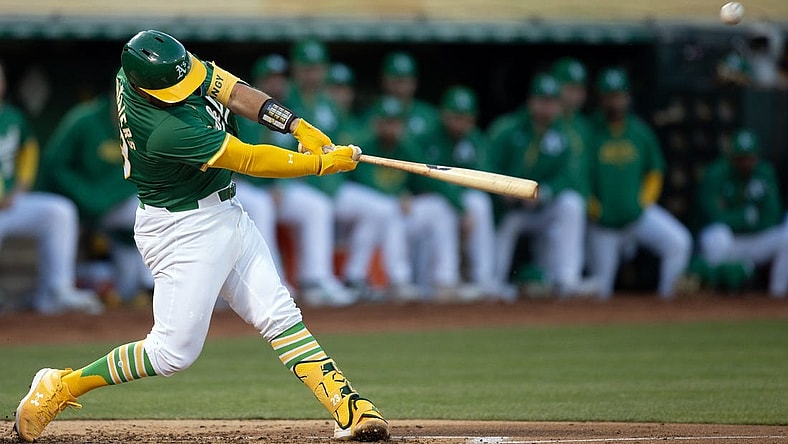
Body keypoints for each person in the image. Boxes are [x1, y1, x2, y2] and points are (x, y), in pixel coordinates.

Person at [14, 30, 389, 442]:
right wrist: (317, 164)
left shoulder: (150, 66)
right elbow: (247, 157)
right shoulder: (164, 131)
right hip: (181, 230)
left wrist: (295, 124)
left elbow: (228, 88)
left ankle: (346, 404)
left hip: (224, 211)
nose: (186, 87)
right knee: (172, 353)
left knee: (279, 314)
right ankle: (61, 385)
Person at [238, 43, 356, 307]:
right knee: (262, 205)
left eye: (279, 78)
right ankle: (274, 284)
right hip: (243, 184)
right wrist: (274, 184)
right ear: (258, 82)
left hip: (273, 185)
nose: (276, 84)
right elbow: (246, 159)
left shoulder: (288, 114)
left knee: (316, 205)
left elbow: (293, 156)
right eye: (270, 78)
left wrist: (281, 182)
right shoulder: (242, 112)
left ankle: (314, 279)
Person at [0, 60, 103, 314]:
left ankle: (57, 292)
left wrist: (21, 186)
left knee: (59, 211)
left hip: (10, 204)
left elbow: (29, 149)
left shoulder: (12, 117)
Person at [586, 67, 692, 299]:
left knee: (679, 242)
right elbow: (579, 177)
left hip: (637, 216)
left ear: (627, 97)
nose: (614, 103)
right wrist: (593, 207)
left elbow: (655, 170)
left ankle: (668, 302)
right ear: (600, 99)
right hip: (603, 224)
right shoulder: (589, 132)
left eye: (618, 96)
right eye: (609, 97)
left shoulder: (639, 131)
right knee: (601, 289)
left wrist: (643, 202)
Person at [488, 73, 594, 298]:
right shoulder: (508, 129)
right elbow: (488, 164)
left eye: (552, 102)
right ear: (531, 102)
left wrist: (544, 192)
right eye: (542, 101)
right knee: (503, 232)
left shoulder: (564, 134)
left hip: (542, 206)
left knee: (572, 203)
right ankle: (492, 285)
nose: (547, 107)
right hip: (511, 210)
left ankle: (567, 280)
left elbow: (569, 177)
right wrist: (502, 191)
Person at [44, 91, 154, 305]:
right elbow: (54, 164)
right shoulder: (84, 119)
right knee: (141, 209)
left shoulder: (144, 125)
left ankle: (148, 288)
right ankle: (151, 286)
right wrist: (85, 196)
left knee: (127, 290)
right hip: (77, 207)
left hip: (113, 212)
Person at [414, 85, 502, 298]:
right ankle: (446, 280)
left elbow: (483, 176)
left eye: (465, 117)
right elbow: (430, 181)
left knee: (479, 202)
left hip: (459, 199)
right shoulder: (427, 137)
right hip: (425, 201)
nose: (460, 123)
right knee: (442, 207)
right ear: (444, 114)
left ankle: (484, 279)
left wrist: (461, 205)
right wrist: (460, 207)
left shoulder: (474, 139)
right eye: (455, 116)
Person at [697, 129, 788, 297]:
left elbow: (772, 215)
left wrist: (737, 217)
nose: (745, 163)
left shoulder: (765, 172)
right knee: (717, 235)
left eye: (749, 157)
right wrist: (747, 217)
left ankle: (778, 297)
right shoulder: (716, 173)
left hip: (757, 240)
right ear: (731, 157)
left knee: (787, 236)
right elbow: (715, 216)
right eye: (740, 158)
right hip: (730, 240)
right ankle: (716, 293)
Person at [374, 51, 439, 142]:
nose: (398, 87)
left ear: (414, 82)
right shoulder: (373, 114)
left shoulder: (430, 116)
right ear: (384, 81)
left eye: (403, 81)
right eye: (394, 80)